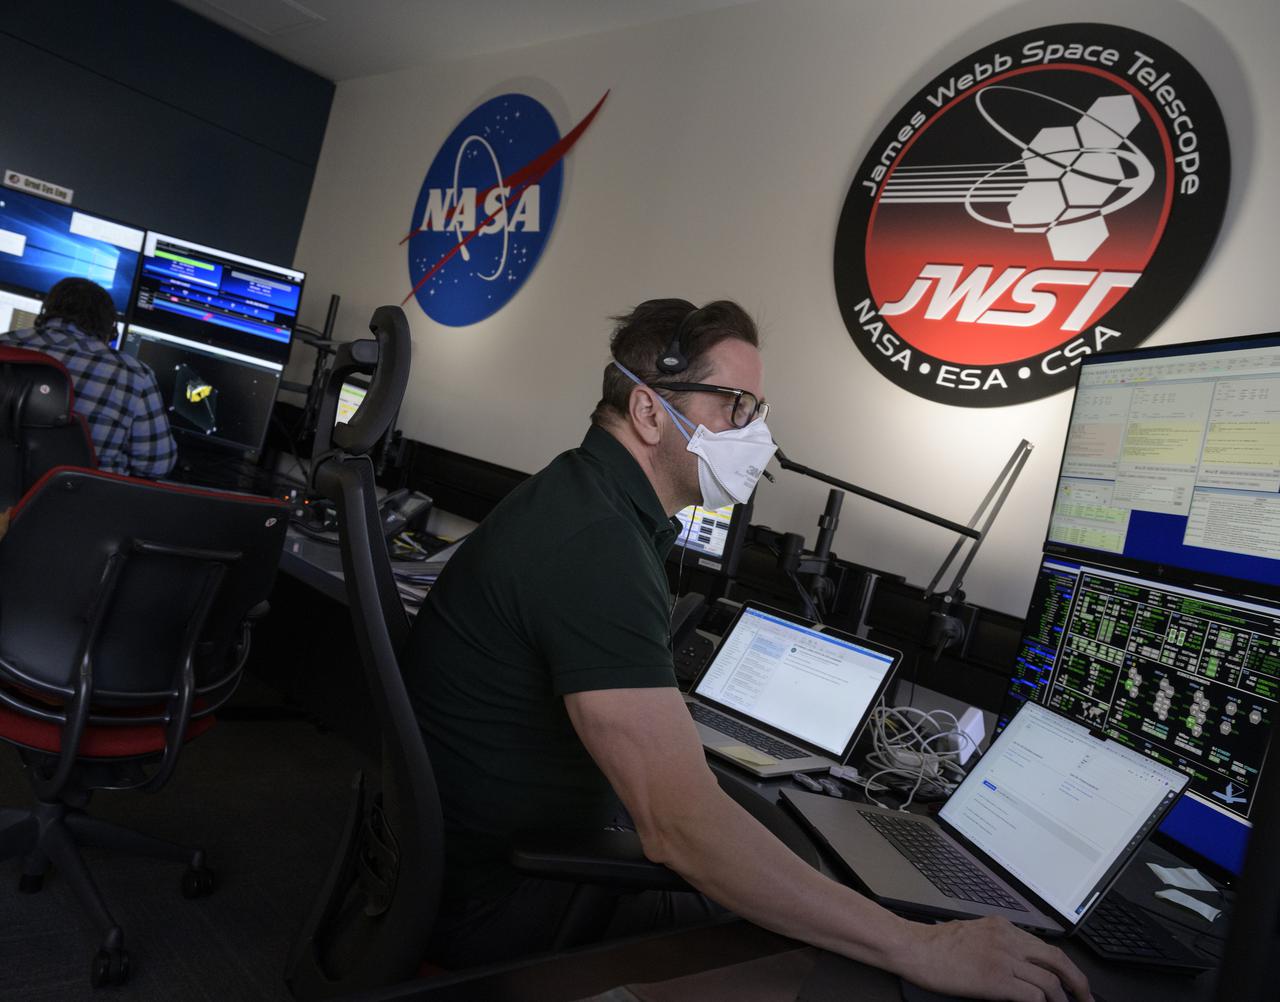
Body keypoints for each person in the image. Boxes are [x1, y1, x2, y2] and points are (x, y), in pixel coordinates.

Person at [405, 299, 1091, 1001]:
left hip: (464, 869)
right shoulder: (596, 546)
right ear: (647, 412)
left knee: (794, 880)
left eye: (756, 410)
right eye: (736, 406)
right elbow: (682, 830)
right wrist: (918, 943)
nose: (755, 433)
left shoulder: (586, 501)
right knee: (831, 956)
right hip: (502, 910)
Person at [0, 277, 176, 478]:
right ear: (111, 330)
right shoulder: (134, 375)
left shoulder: (4, 346)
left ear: (44, 312)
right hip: (78, 503)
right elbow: (157, 466)